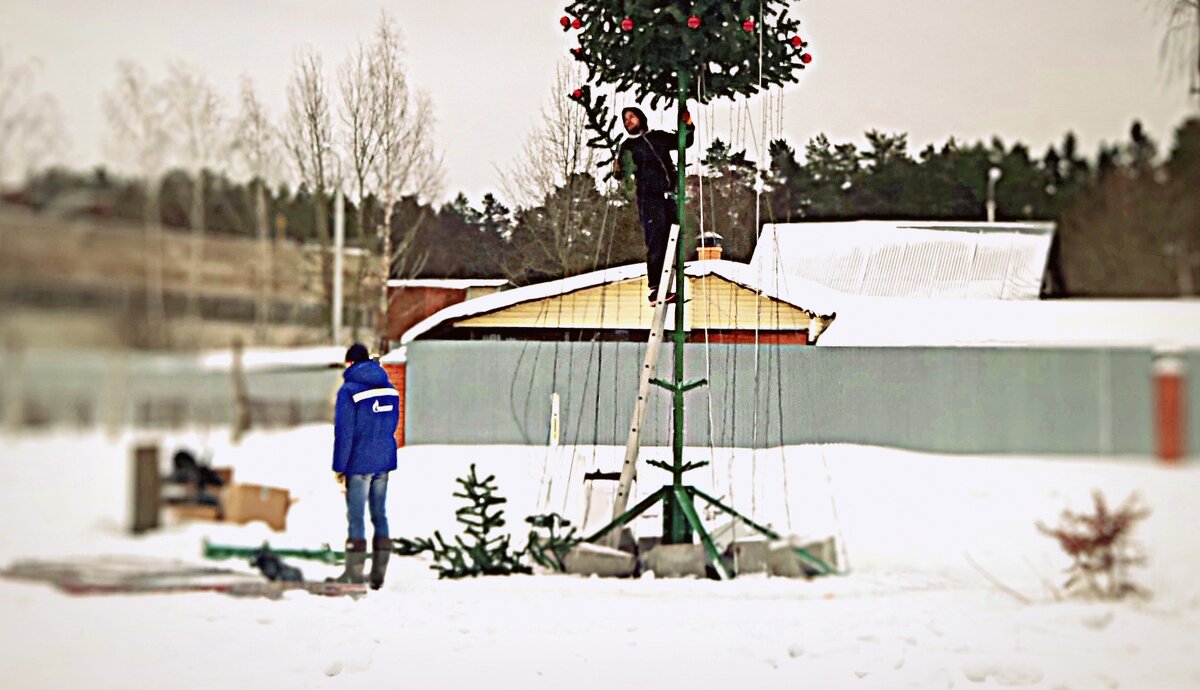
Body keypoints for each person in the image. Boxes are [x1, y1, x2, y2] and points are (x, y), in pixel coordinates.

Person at [329, 343, 400, 589]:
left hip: (359, 464)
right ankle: (378, 575)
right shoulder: (390, 389)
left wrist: (340, 467)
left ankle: (354, 573)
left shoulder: (348, 391)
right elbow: (391, 426)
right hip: (384, 462)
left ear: (351, 362)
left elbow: (344, 433)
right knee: (380, 514)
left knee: (356, 517)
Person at [614, 106, 695, 304]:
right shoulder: (628, 147)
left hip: (669, 195)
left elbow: (684, 143)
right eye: (625, 119)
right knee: (656, 238)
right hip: (648, 199)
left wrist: (688, 125)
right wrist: (617, 169)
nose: (628, 121)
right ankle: (655, 289)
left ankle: (671, 282)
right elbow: (622, 174)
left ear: (641, 118)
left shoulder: (657, 137)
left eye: (631, 117)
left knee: (674, 236)